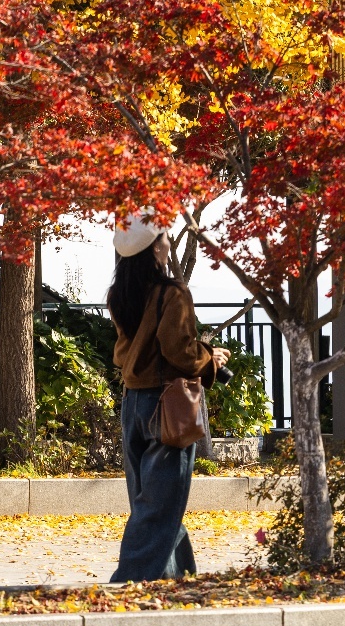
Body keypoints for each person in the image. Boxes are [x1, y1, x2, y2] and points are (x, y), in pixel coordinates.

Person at [107, 211, 230, 582]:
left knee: (150, 500)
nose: (167, 243)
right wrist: (210, 359)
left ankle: (177, 579)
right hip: (167, 404)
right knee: (159, 504)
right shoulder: (172, 292)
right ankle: (129, 583)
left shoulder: (119, 294)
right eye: (163, 237)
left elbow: (131, 349)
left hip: (133, 402)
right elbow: (179, 351)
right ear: (153, 248)